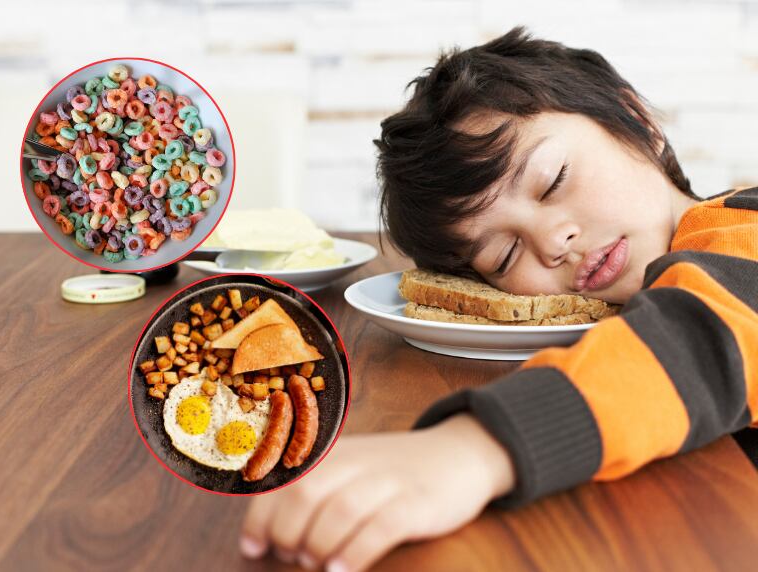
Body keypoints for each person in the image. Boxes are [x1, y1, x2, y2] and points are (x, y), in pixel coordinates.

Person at [239, 26, 758, 572]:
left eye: (553, 179)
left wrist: (473, 449)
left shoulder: (742, 227)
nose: (554, 242)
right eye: (505, 257)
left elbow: (703, 340)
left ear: (638, 123)